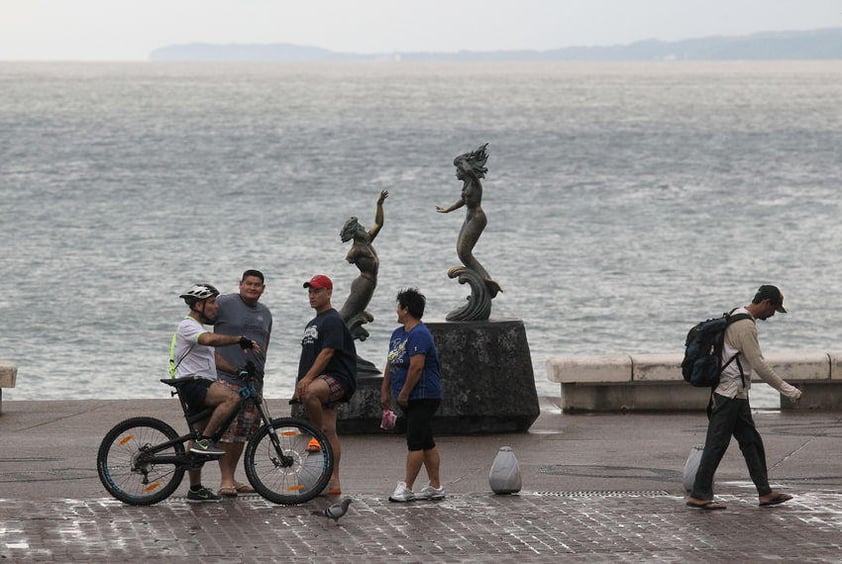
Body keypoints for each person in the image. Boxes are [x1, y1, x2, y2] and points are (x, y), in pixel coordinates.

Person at [686, 285, 802, 510]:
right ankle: (699, 495)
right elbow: (758, 363)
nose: (773, 315)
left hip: (737, 393)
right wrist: (788, 390)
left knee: (751, 442)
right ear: (766, 303)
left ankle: (765, 493)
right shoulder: (745, 325)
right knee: (716, 444)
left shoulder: (736, 314)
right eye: (774, 309)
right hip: (729, 394)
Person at [170, 283, 261, 503]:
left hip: (200, 383)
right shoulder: (188, 326)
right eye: (211, 302)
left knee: (198, 435)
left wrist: (238, 370)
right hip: (193, 384)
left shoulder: (199, 328)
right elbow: (209, 341)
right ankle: (206, 442)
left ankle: (195, 488)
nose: (215, 307)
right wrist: (239, 339)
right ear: (199, 304)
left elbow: (215, 359)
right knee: (232, 397)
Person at [295, 274, 357, 495]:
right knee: (331, 430)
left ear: (329, 293)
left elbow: (327, 352)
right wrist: (298, 384)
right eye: (310, 291)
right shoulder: (312, 323)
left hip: (338, 377)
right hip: (321, 379)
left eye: (317, 291)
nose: (312, 295)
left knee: (311, 394)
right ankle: (333, 481)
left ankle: (316, 434)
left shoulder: (332, 319)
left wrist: (307, 381)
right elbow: (307, 358)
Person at [380, 288, 444, 502]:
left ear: (406, 309)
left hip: (423, 396)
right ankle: (435, 486)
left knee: (415, 441)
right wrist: (385, 390)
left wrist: (405, 393)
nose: (396, 310)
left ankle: (406, 486)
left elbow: (417, 367)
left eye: (399, 306)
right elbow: (391, 362)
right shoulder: (398, 334)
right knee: (426, 441)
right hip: (406, 396)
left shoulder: (419, 334)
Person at [213, 270, 273, 497]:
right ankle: (225, 479)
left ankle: (233, 476)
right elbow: (201, 319)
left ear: (263, 288)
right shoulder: (225, 303)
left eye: (257, 285)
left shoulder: (266, 313)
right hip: (227, 376)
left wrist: (260, 375)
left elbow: (265, 344)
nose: (252, 288)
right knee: (227, 430)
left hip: (253, 379)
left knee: (243, 431)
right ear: (240, 284)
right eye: (248, 284)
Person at [435, 143, 501, 297]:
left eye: (458, 170)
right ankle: (482, 281)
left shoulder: (474, 182)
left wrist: (460, 160)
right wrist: (447, 209)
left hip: (478, 218)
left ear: (464, 170)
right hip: (469, 217)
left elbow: (470, 170)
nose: (456, 173)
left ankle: (486, 280)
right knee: (460, 251)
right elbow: (463, 201)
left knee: (465, 253)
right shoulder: (466, 185)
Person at [338, 189, 388, 339]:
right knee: (349, 312)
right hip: (363, 282)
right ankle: (334, 329)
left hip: (370, 281)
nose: (363, 228)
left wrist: (379, 204)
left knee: (355, 313)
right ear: (355, 232)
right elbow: (349, 258)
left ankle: (345, 337)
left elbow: (379, 223)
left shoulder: (366, 240)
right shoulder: (355, 250)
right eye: (360, 227)